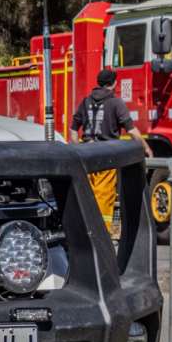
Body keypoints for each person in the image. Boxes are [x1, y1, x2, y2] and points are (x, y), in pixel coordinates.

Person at [73, 68, 147, 237]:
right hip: (106, 157)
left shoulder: (84, 102)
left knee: (88, 195)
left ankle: (87, 232)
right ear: (113, 83)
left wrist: (78, 149)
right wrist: (146, 147)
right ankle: (103, 236)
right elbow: (131, 130)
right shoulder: (116, 103)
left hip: (86, 155)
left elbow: (73, 130)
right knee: (104, 197)